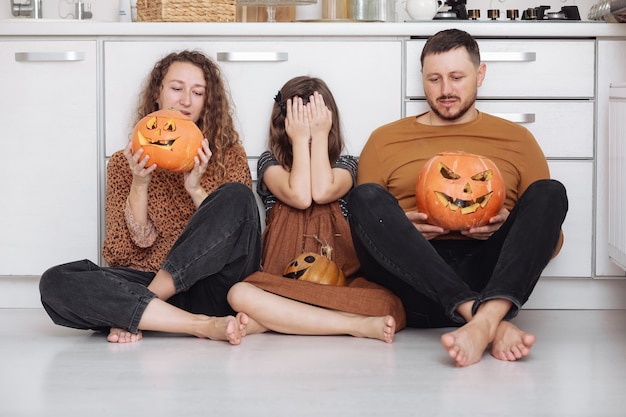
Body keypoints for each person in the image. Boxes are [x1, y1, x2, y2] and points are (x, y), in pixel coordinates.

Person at [347, 29, 568, 366]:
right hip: (412, 282)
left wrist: (511, 224)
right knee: (364, 197)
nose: (445, 90)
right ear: (422, 78)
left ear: (480, 75)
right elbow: (364, 230)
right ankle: (486, 321)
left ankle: (482, 318)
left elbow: (551, 239)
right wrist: (399, 228)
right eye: (434, 79)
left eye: (456, 77)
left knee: (551, 192)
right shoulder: (385, 139)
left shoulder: (518, 140)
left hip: (485, 272)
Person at [39, 50, 261, 345]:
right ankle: (199, 324)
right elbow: (119, 254)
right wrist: (139, 183)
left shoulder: (228, 156)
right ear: (158, 93)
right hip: (148, 278)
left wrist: (195, 189)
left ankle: (139, 309)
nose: (185, 101)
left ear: (208, 102)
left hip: (215, 287)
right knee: (55, 281)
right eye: (177, 88)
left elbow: (240, 232)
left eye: (197, 92)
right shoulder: (123, 163)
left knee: (236, 196)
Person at [227, 76, 406, 343]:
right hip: (281, 282)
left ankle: (275, 320)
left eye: (317, 123)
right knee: (238, 294)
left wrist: (320, 136)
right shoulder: (270, 163)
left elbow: (321, 192)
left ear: (328, 123)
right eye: (300, 122)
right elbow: (300, 196)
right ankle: (354, 325)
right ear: (285, 125)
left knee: (392, 305)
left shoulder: (346, 165)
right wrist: (299, 141)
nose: (308, 131)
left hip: (340, 283)